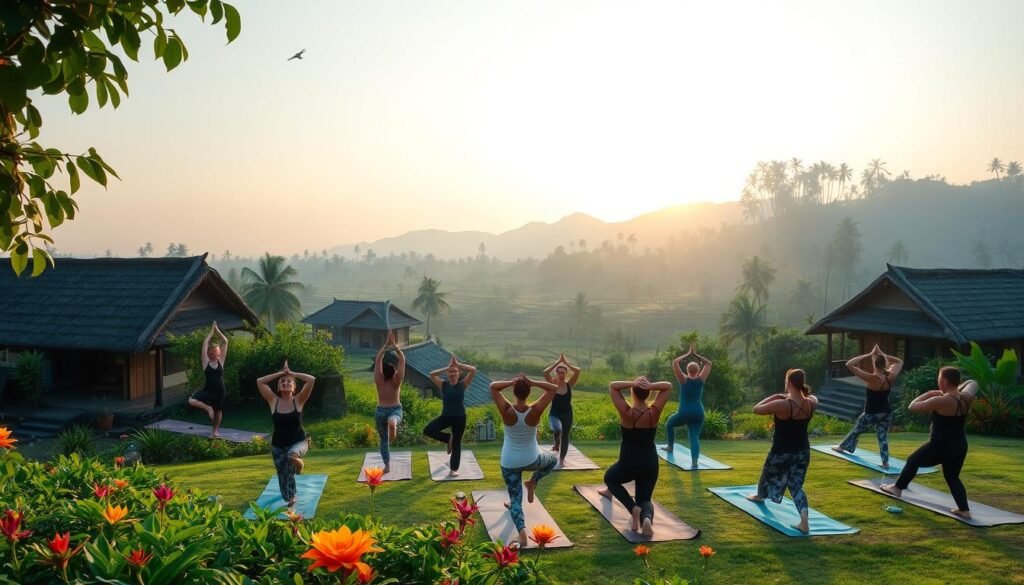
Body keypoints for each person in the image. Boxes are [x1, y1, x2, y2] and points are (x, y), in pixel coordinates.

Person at [881, 368, 977, 519]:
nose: (938, 382)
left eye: (939, 379)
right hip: (959, 445)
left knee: (913, 460)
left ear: (944, 381)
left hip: (940, 445)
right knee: (952, 477)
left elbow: (912, 406)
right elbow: (973, 383)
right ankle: (964, 510)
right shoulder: (966, 397)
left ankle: (897, 488)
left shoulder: (940, 400)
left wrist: (929, 393)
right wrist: (955, 389)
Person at [598, 376, 673, 536]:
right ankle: (646, 519)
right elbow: (668, 386)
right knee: (644, 499)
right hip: (650, 462)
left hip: (628, 462)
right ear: (648, 393)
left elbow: (613, 385)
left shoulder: (626, 412)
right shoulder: (654, 412)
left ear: (632, 392)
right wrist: (649, 385)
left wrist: (633, 383)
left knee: (610, 478)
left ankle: (633, 509)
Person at [490, 375, 559, 548]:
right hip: (532, 460)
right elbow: (553, 388)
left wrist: (511, 381)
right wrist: (533, 382)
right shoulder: (535, 410)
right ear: (529, 392)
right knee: (553, 460)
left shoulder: (506, 410)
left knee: (515, 499)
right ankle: (533, 481)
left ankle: (522, 536)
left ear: (514, 392)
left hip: (509, 463)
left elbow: (493, 386)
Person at [747, 369, 818, 534]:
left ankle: (760, 496)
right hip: (802, 451)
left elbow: (756, 409)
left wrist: (776, 396)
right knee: (796, 486)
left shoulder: (782, 404)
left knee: (767, 473)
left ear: (789, 382)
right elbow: (813, 397)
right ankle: (804, 522)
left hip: (781, 451)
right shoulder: (811, 403)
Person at [256, 361, 316, 512]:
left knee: (292, 455)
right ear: (278, 387)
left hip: (299, 441)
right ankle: (291, 496)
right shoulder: (273, 401)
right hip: (278, 445)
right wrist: (281, 373)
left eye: (289, 382)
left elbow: (311, 379)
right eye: (282, 381)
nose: (285, 383)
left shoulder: (299, 400)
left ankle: (299, 464)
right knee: (284, 475)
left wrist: (291, 373)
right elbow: (260, 381)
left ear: (294, 387)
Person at [832, 344, 904, 468]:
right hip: (886, 412)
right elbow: (899, 361)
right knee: (882, 437)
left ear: (874, 364)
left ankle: (842, 447)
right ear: (884, 364)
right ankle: (885, 462)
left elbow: (849, 364)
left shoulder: (871, 378)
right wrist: (882, 354)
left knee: (856, 431)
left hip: (871, 413)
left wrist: (868, 354)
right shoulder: (890, 376)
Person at [424, 355, 477, 476]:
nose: (452, 373)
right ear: (448, 374)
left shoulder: (463, 384)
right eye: (450, 372)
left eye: (455, 371)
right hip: (446, 417)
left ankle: (454, 469)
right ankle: (448, 439)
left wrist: (458, 365)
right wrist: (447, 367)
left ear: (459, 373)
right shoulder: (443, 384)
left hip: (460, 417)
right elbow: (432, 374)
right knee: (428, 430)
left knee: (456, 444)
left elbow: (473, 370)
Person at [662, 342, 712, 468]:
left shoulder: (683, 380)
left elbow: (675, 362)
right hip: (698, 412)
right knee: (694, 437)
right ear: (698, 370)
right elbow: (709, 363)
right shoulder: (701, 380)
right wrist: (696, 355)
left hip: (684, 412)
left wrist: (688, 354)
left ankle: (670, 446)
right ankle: (694, 462)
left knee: (669, 424)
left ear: (687, 370)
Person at [187, 322, 229, 437]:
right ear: (210, 353)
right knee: (191, 400)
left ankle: (215, 431)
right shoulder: (206, 363)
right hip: (208, 390)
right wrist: (211, 332)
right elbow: (205, 344)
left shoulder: (221, 361)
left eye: (217, 351)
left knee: (218, 411)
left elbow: (225, 342)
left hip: (220, 391)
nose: (217, 353)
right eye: (215, 351)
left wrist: (217, 330)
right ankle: (208, 408)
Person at [373, 330, 406, 474]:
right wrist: (395, 347)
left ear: (383, 372)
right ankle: (393, 422)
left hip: (380, 410)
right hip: (394, 408)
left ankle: (387, 466)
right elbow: (402, 360)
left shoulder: (379, 380)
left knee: (383, 440)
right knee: (396, 417)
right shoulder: (396, 381)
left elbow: (378, 360)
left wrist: (385, 346)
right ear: (394, 372)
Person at [542, 353, 581, 467]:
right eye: (558, 372)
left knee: (565, 436)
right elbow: (545, 372)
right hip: (554, 413)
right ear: (556, 374)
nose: (560, 374)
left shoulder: (569, 384)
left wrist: (566, 362)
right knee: (557, 429)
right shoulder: (552, 384)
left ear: (565, 374)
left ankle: (562, 458)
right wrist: (558, 362)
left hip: (567, 414)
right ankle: (556, 444)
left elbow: (578, 371)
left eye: (563, 372)